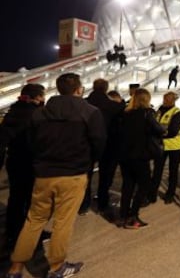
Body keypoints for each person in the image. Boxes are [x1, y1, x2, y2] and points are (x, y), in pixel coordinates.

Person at [6, 73, 106, 278]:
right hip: (73, 174)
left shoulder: (40, 113)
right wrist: (87, 162)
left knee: (34, 220)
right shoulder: (90, 112)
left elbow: (31, 142)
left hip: (44, 174)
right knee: (63, 222)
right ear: (79, 89)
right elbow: (99, 143)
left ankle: (15, 268)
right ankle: (57, 267)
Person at [0, 84, 45, 251]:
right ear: (37, 97)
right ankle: (30, 236)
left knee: (16, 199)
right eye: (42, 96)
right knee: (31, 201)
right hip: (30, 163)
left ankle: (12, 234)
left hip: (14, 162)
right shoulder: (35, 115)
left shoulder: (13, 112)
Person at [119, 88, 164, 228]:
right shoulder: (147, 113)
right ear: (146, 100)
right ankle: (133, 216)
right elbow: (159, 130)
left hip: (125, 156)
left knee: (128, 185)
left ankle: (124, 215)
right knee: (144, 185)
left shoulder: (125, 114)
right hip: (140, 156)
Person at [79, 79, 125, 215]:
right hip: (109, 145)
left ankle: (84, 204)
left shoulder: (84, 103)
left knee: (86, 176)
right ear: (106, 89)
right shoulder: (113, 106)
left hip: (86, 144)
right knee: (106, 175)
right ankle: (102, 203)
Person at [149, 91, 180, 204]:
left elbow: (173, 131)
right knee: (157, 171)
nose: (165, 101)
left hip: (174, 147)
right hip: (160, 146)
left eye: (167, 99)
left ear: (173, 100)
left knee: (173, 172)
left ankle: (170, 194)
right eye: (164, 99)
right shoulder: (159, 111)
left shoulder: (177, 113)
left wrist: (158, 133)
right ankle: (152, 194)